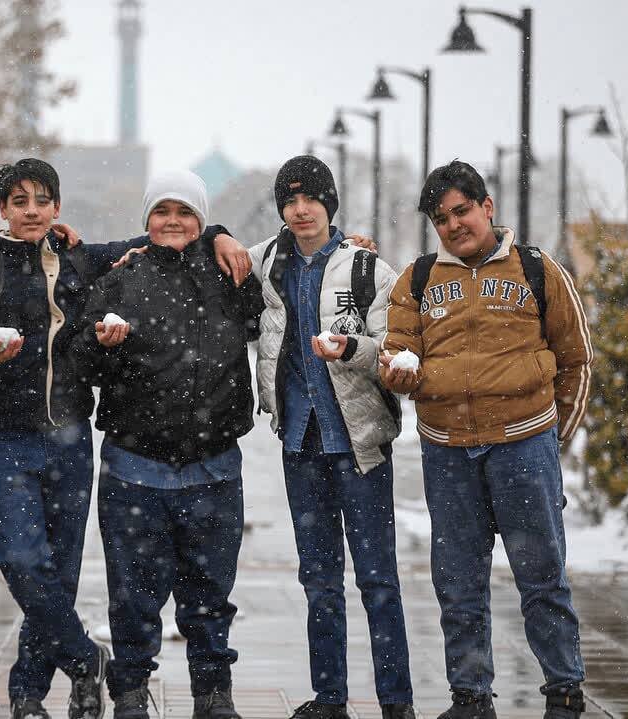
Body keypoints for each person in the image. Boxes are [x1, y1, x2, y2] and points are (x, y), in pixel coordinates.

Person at [0, 158, 250, 719]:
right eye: (19, 201)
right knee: (19, 558)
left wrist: (221, 231)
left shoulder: (84, 260)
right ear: (2, 208)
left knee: (59, 570)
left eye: (41, 201)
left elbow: (167, 232)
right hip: (2, 437)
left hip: (70, 435)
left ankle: (29, 694)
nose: (31, 211)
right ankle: (85, 659)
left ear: (58, 207)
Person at [380, 160, 592, 719]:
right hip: (447, 453)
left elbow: (576, 360)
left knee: (542, 579)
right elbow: (396, 352)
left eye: (462, 210)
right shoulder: (418, 280)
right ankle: (471, 698)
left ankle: (565, 693)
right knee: (458, 586)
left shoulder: (538, 270)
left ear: (487, 207)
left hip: (524, 450)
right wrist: (396, 372)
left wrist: (552, 440)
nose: (453, 225)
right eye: (440, 218)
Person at [72, 170, 262, 719]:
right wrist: (103, 346)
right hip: (136, 465)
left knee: (209, 595)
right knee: (133, 596)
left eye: (185, 212)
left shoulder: (230, 271)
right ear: (147, 220)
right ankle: (130, 690)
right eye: (162, 211)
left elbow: (284, 284)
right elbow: (84, 360)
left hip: (214, 465)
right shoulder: (121, 278)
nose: (173, 221)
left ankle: (213, 693)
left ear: (201, 221)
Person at [246, 156, 413, 719]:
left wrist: (356, 350)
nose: (300, 209)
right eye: (289, 201)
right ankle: (331, 699)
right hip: (301, 444)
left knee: (378, 582)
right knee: (319, 581)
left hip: (361, 446)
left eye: (310, 198)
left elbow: (394, 349)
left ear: (329, 203)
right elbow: (204, 253)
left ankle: (397, 702)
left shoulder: (367, 269)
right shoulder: (267, 261)